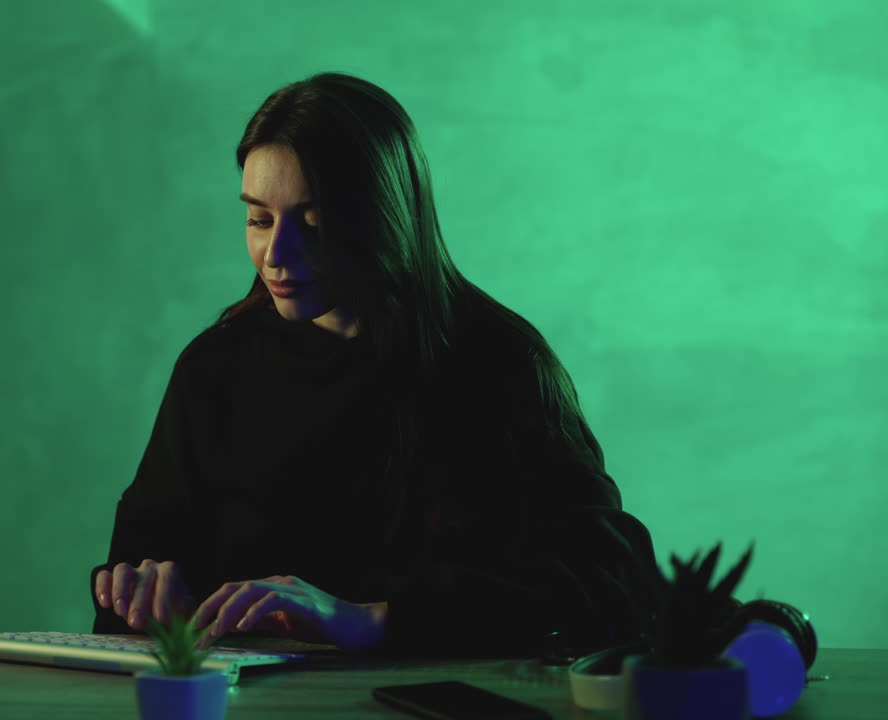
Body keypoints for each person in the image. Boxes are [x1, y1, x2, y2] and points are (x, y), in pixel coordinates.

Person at [89, 71, 664, 658]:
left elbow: (609, 572)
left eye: (313, 223)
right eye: (258, 219)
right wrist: (138, 591)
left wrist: (373, 620)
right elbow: (139, 553)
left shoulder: (499, 364)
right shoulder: (214, 366)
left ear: (383, 215)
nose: (276, 255)